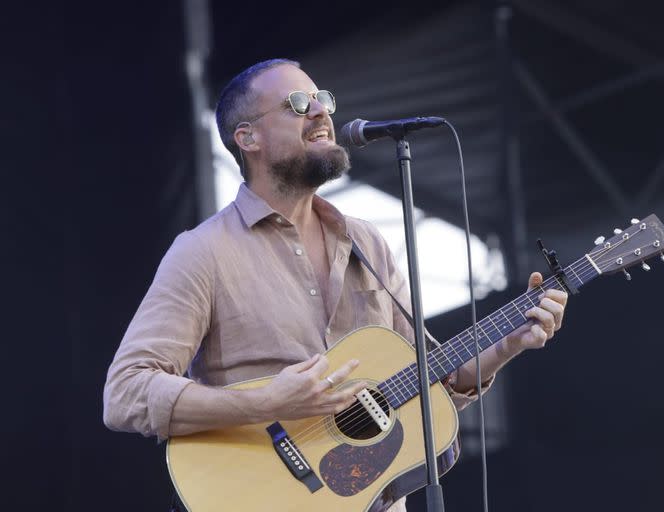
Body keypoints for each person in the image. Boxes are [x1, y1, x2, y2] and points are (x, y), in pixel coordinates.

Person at [103, 58, 568, 512]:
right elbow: (125, 393)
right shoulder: (202, 252)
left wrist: (507, 343)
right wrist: (263, 403)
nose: (322, 111)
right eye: (299, 102)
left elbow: (432, 377)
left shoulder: (366, 241)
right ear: (248, 138)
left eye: (323, 99)